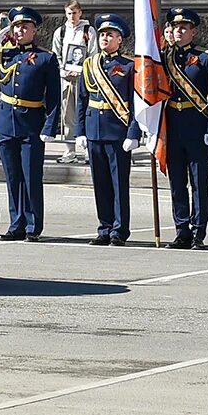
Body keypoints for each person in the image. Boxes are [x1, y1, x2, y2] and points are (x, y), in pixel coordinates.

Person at [0, 6, 61, 241]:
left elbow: (54, 97)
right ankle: (16, 223)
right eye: (16, 26)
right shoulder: (2, 54)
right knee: (12, 176)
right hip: (7, 123)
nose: (20, 31)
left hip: (31, 124)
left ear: (34, 30)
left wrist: (50, 127)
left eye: (25, 27)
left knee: (30, 176)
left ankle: (32, 226)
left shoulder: (46, 58)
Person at [160, 6, 208, 249]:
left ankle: (198, 232)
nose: (179, 31)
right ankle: (181, 230)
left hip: (197, 126)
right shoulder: (165, 59)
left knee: (198, 182)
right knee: (176, 183)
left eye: (184, 28)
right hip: (173, 126)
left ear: (193, 32)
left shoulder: (205, 58)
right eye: (175, 27)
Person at [80, 15, 137, 247]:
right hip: (94, 130)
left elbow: (135, 102)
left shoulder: (128, 66)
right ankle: (104, 227)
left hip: (117, 132)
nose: (105, 38)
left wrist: (133, 133)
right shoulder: (89, 64)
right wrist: (80, 131)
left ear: (119, 39)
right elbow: (82, 99)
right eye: (102, 34)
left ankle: (119, 230)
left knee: (118, 183)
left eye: (110, 35)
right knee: (100, 183)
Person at [52, 1, 94, 164]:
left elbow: (92, 54)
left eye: (75, 13)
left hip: (83, 79)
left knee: (84, 114)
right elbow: (56, 55)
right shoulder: (60, 32)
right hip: (66, 79)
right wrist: (63, 71)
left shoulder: (88, 31)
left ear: (80, 13)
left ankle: (88, 151)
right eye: (69, 13)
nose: (72, 17)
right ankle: (70, 150)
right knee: (68, 116)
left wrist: (82, 71)